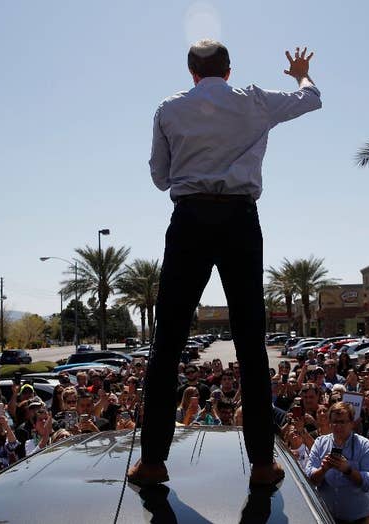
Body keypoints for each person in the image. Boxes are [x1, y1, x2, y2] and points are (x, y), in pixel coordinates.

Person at [130, 39, 321, 488]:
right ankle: (261, 464)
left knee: (168, 343)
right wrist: (299, 74)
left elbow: (160, 178)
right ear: (228, 70)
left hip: (190, 219)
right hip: (239, 220)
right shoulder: (254, 100)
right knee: (251, 343)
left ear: (192, 72)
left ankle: (154, 462)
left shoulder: (168, 109)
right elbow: (312, 98)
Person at [306, 402, 369, 524]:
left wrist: (348, 470)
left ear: (352, 423)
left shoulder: (365, 446)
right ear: (329, 423)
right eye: (334, 422)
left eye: (342, 422)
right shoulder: (320, 444)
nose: (338, 426)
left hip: (358, 520)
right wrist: (323, 469)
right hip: (326, 518)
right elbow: (309, 480)